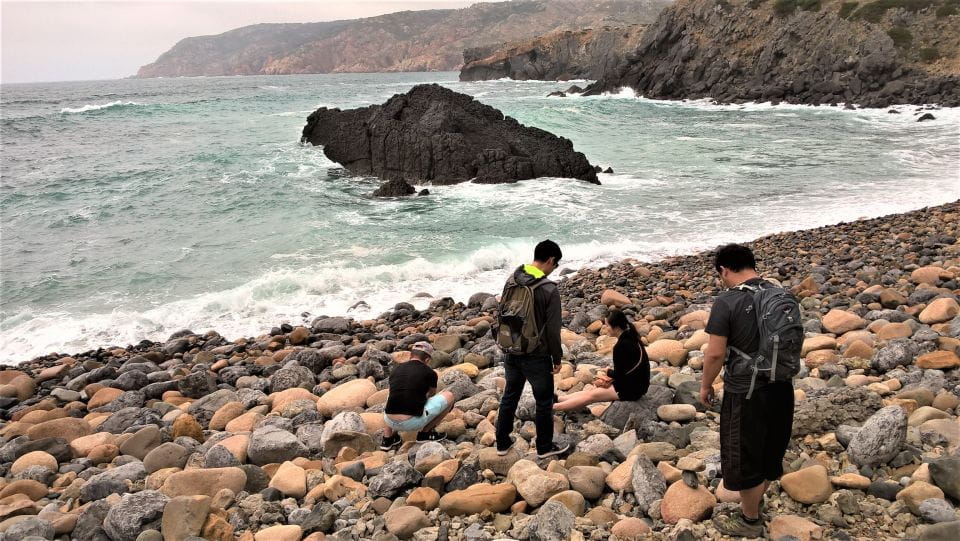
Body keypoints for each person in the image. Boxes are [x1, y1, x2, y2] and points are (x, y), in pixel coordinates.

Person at [700, 244, 795, 538]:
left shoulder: (726, 302)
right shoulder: (782, 295)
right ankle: (755, 504)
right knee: (769, 452)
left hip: (746, 393)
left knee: (745, 458)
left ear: (724, 270)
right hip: (782, 387)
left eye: (721, 275)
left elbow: (715, 354)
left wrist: (705, 385)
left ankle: (750, 520)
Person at [495, 239, 571, 459]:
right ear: (551, 260)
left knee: (510, 396)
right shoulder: (548, 289)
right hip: (537, 355)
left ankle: (502, 442)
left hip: (512, 348)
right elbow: (553, 330)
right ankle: (544, 447)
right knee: (544, 401)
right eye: (555, 266)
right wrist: (557, 358)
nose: (553, 270)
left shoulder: (513, 279)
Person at [554, 309, 649, 411]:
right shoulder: (632, 337)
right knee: (592, 391)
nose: (605, 328)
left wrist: (608, 371)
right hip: (638, 384)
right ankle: (560, 399)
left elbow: (619, 375)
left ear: (616, 327)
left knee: (591, 396)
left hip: (631, 390)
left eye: (607, 325)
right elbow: (628, 369)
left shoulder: (621, 346)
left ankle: (553, 407)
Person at [380, 342, 455, 451]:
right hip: (411, 422)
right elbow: (431, 394)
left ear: (411, 355)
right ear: (427, 360)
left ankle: (387, 439)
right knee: (450, 396)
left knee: (391, 395)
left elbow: (393, 393)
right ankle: (425, 434)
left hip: (389, 420)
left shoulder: (396, 369)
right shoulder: (430, 373)